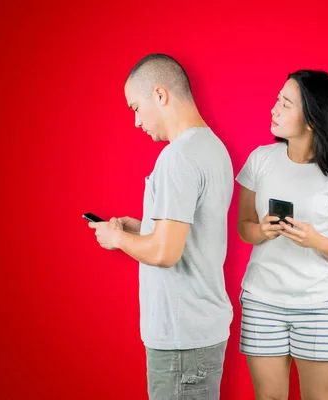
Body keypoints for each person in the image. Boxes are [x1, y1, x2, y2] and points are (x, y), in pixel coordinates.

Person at [88, 53, 234, 400]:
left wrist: (117, 237)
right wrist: (142, 229)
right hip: (201, 330)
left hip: (180, 339)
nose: (136, 121)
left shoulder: (177, 156)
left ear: (160, 94)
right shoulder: (213, 147)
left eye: (135, 107)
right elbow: (191, 237)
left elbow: (165, 253)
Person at [235, 69, 328, 400]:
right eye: (277, 99)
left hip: (319, 305)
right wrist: (262, 231)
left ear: (312, 120)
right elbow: (244, 227)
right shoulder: (260, 160)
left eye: (286, 103)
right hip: (261, 300)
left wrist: (315, 241)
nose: (274, 108)